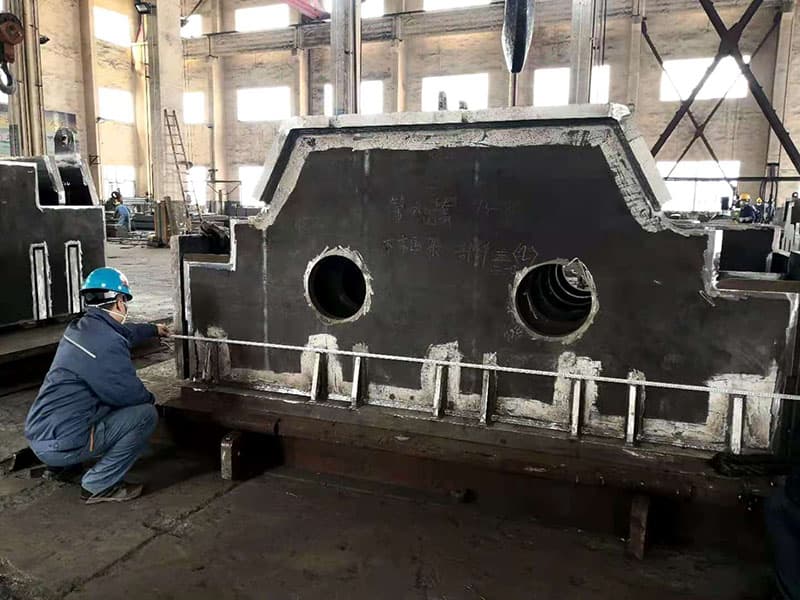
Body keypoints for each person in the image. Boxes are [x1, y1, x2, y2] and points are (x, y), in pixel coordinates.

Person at [24, 267, 170, 504]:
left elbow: (123, 332)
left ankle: (61, 468)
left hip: (39, 433)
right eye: (125, 301)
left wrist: (153, 330)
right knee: (145, 415)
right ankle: (98, 484)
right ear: (119, 301)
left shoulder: (80, 328)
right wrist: (157, 404)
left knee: (90, 401)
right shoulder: (107, 346)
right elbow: (130, 394)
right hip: (60, 443)